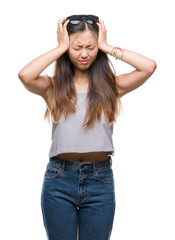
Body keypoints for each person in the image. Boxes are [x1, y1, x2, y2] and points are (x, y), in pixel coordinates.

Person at [18, 14, 157, 240]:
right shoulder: (53, 87)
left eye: (91, 47)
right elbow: (25, 75)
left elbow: (148, 67)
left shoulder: (112, 86)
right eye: (77, 47)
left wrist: (107, 46)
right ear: (67, 48)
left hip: (100, 180)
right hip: (59, 180)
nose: (84, 54)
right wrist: (60, 46)